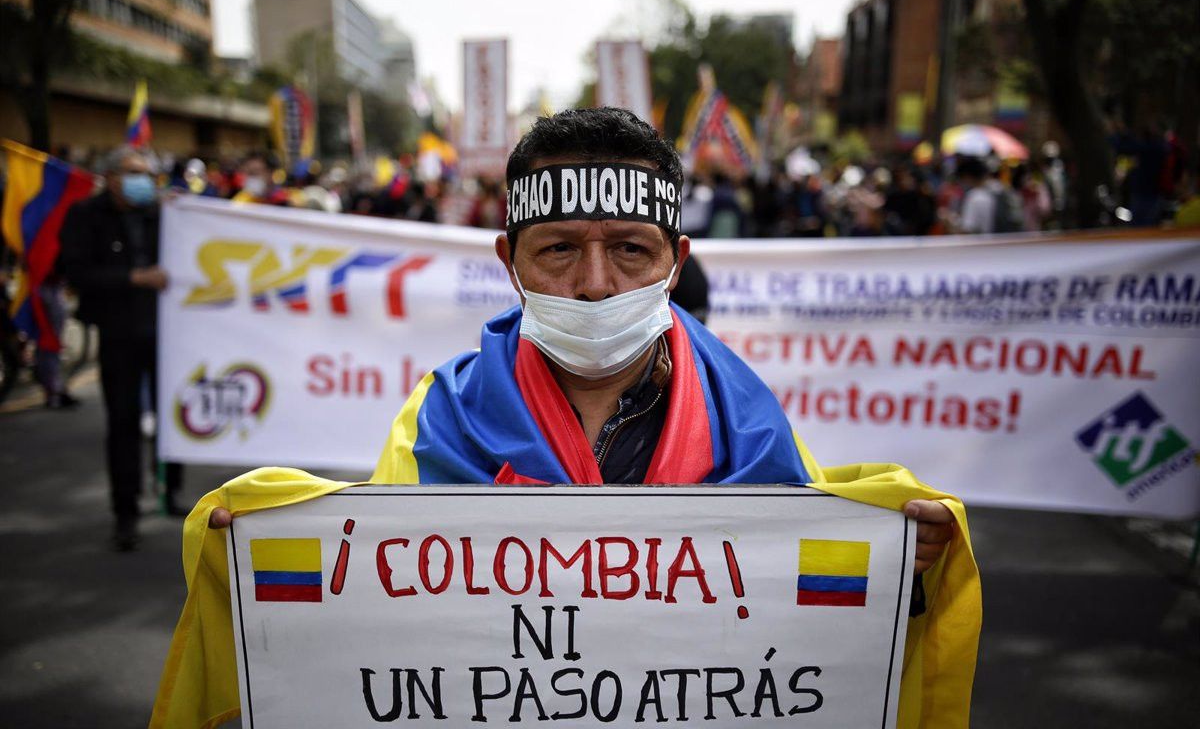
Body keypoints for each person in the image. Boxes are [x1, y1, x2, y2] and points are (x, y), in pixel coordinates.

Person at [156, 109, 979, 728]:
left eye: (630, 248)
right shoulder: (439, 418)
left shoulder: (749, 424)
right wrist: (267, 574)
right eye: (557, 249)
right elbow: (387, 634)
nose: (594, 284)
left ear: (675, 263)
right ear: (508, 262)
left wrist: (900, 576)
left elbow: (805, 642)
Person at [60, 147, 184, 551]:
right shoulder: (85, 216)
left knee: (173, 417)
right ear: (111, 177)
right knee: (124, 422)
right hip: (118, 333)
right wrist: (132, 278)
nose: (143, 181)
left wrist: (190, 214)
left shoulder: (165, 213)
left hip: (168, 335)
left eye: (148, 173)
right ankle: (125, 511)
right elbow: (76, 272)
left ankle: (172, 490)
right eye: (133, 173)